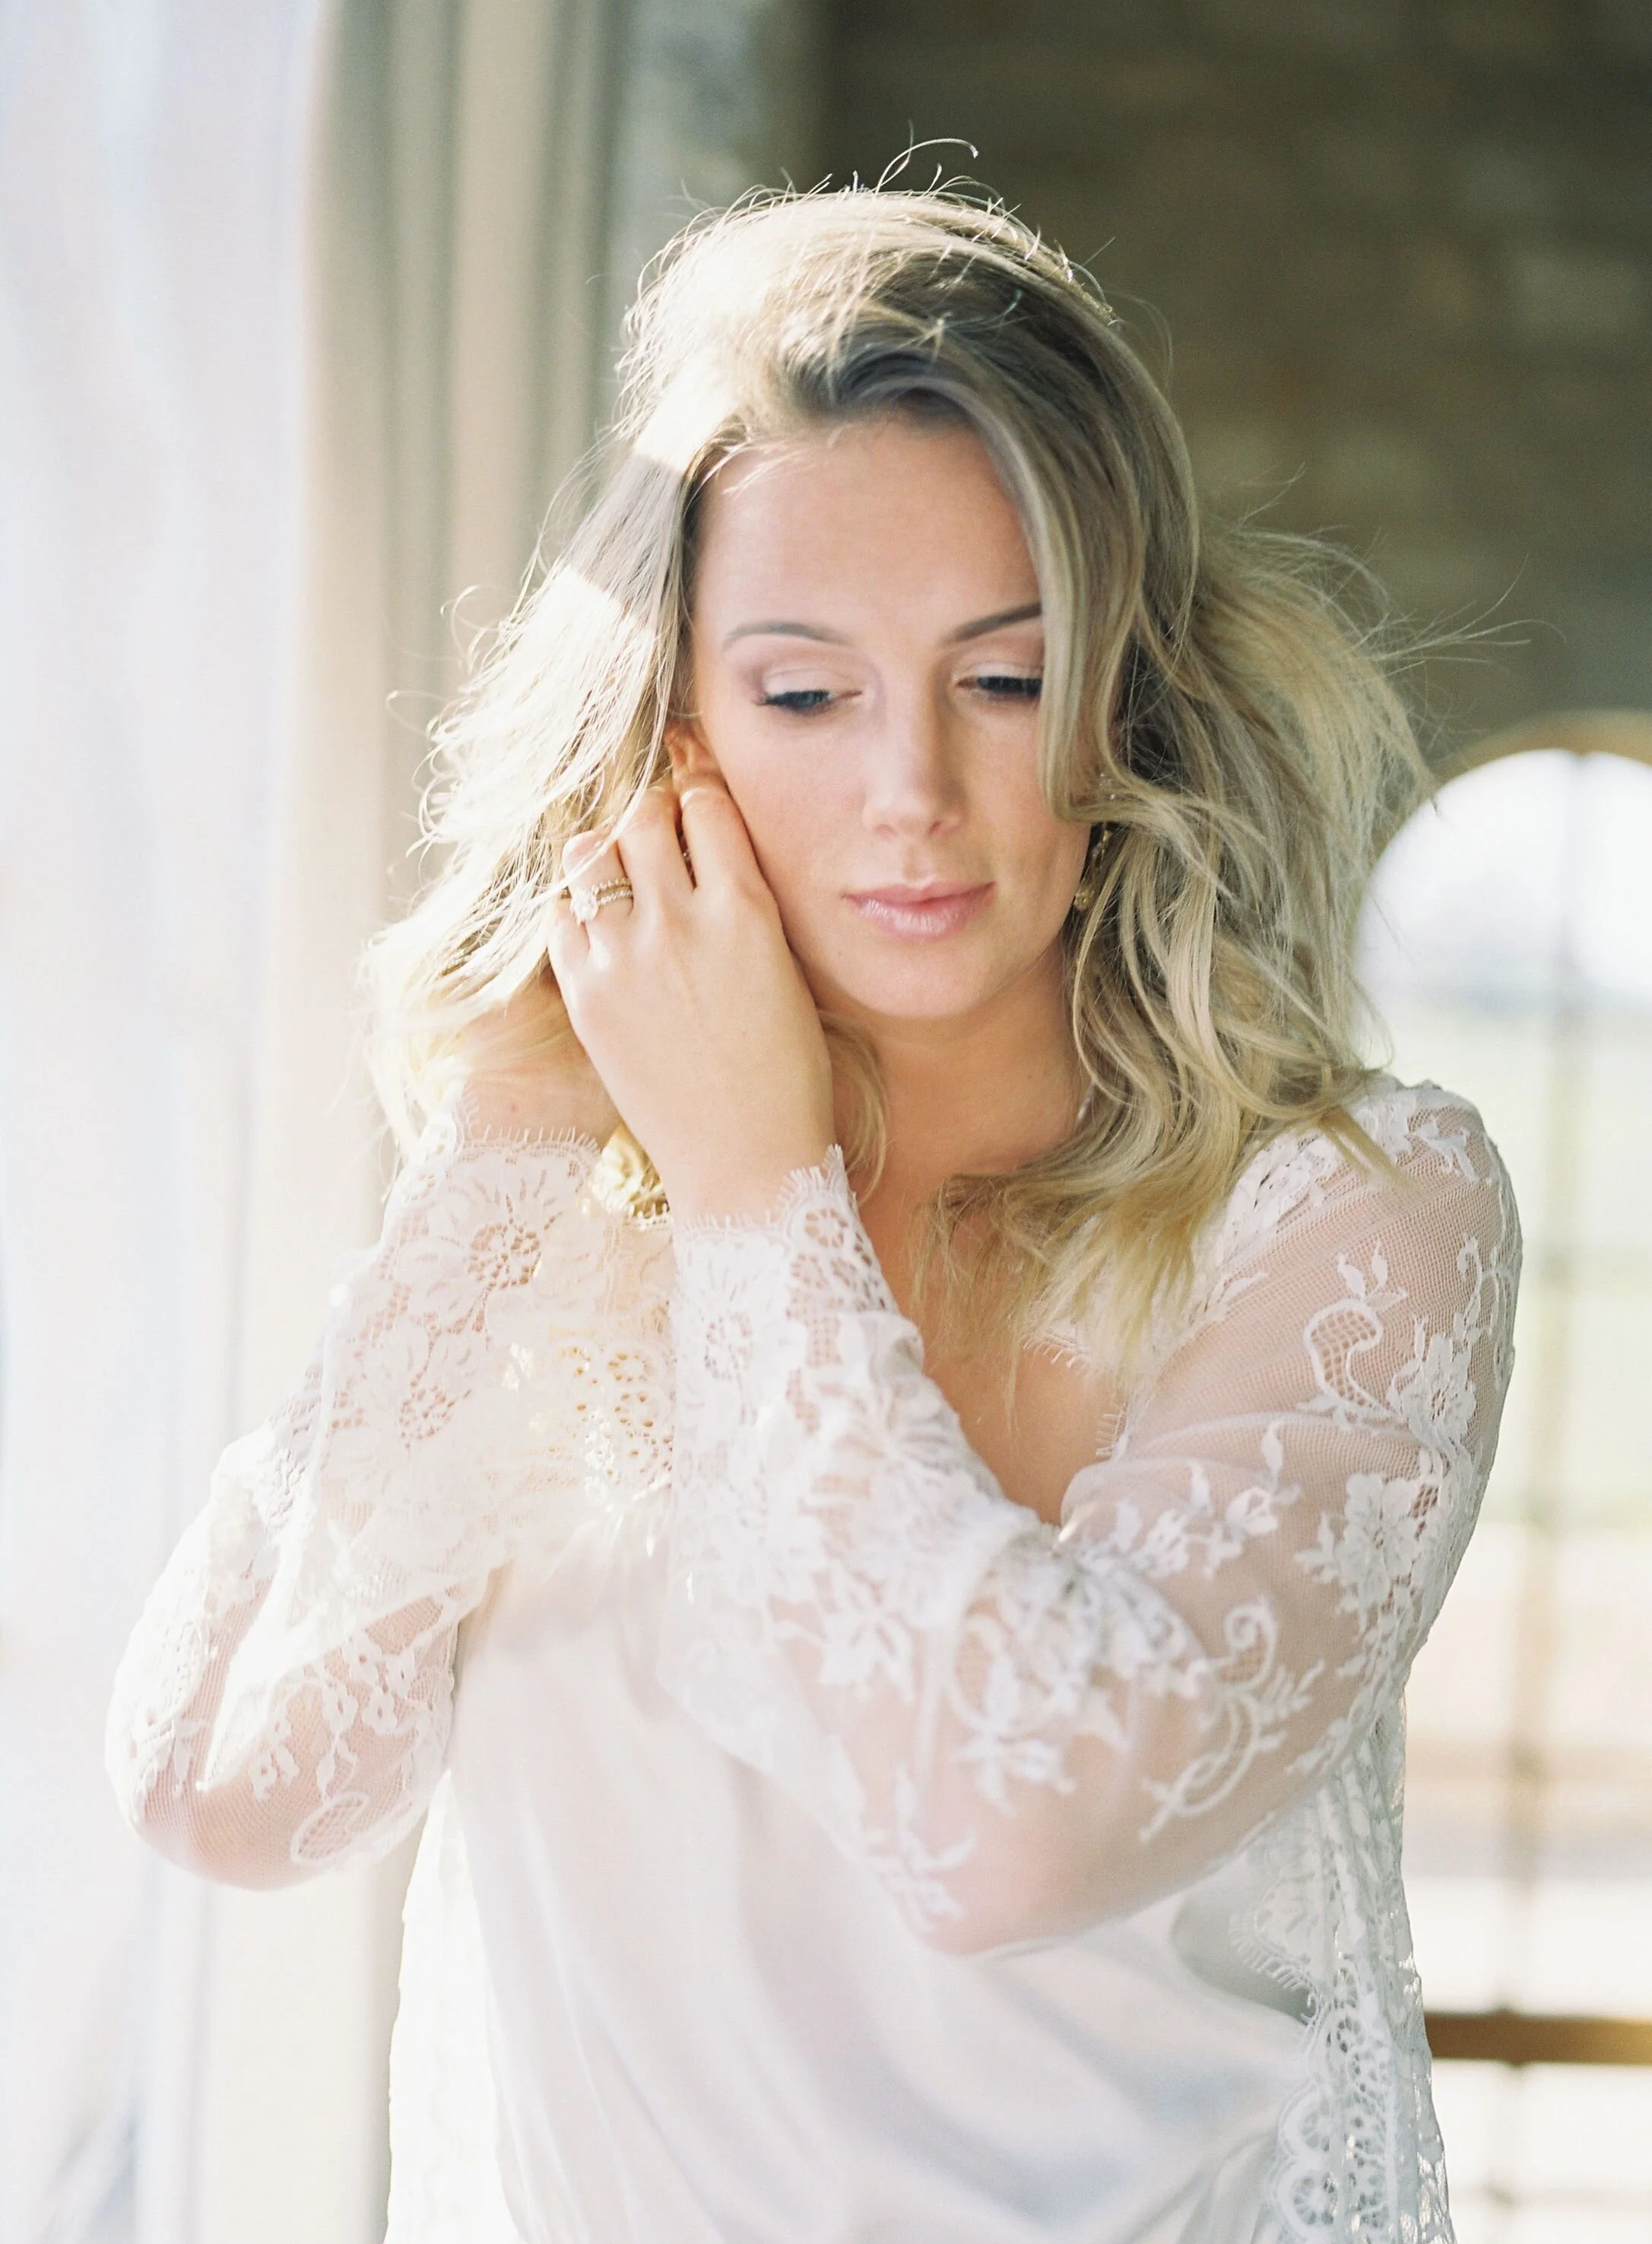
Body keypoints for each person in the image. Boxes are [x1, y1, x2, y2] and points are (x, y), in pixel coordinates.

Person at [107, 189, 1520, 2243]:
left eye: (1003, 675)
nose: (912, 796)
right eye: (803, 695)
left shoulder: (1355, 1213)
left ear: (1121, 701)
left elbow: (1003, 1833)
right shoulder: (562, 1222)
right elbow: (229, 1790)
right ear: (665, 731)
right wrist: (520, 1113)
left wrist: (761, 1194)